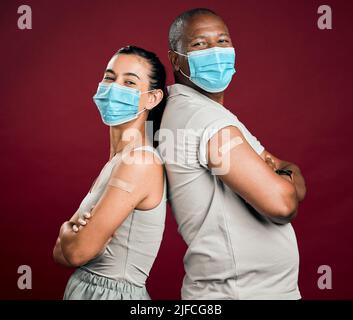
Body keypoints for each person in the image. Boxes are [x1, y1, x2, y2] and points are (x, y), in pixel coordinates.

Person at [158, 8, 307, 299]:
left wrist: (281, 173)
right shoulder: (205, 120)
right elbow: (283, 204)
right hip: (241, 292)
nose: (215, 52)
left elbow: (282, 172)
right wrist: (284, 175)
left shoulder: (192, 110)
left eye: (223, 41)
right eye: (199, 44)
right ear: (175, 59)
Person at [53, 45, 167, 300]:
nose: (114, 87)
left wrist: (66, 229)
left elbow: (75, 253)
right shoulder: (118, 161)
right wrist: (71, 236)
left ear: (152, 98)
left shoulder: (139, 161)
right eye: (109, 77)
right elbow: (59, 254)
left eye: (129, 82)